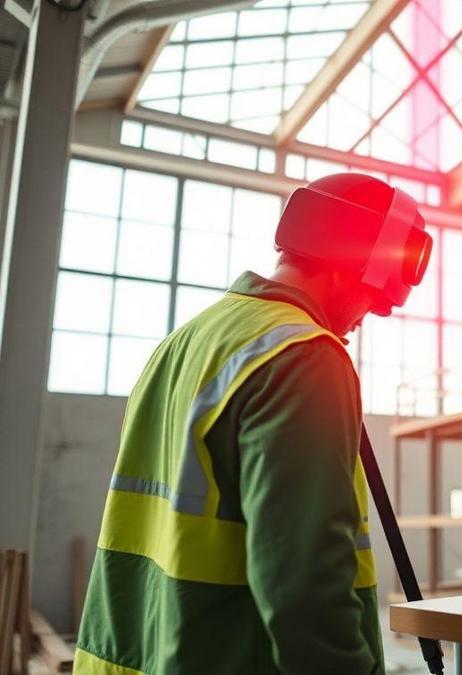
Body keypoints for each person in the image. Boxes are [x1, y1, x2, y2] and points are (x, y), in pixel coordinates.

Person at [75, 173, 434, 674]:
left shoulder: (185, 343)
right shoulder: (300, 355)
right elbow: (306, 581)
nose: (361, 319)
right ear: (348, 266)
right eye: (371, 303)